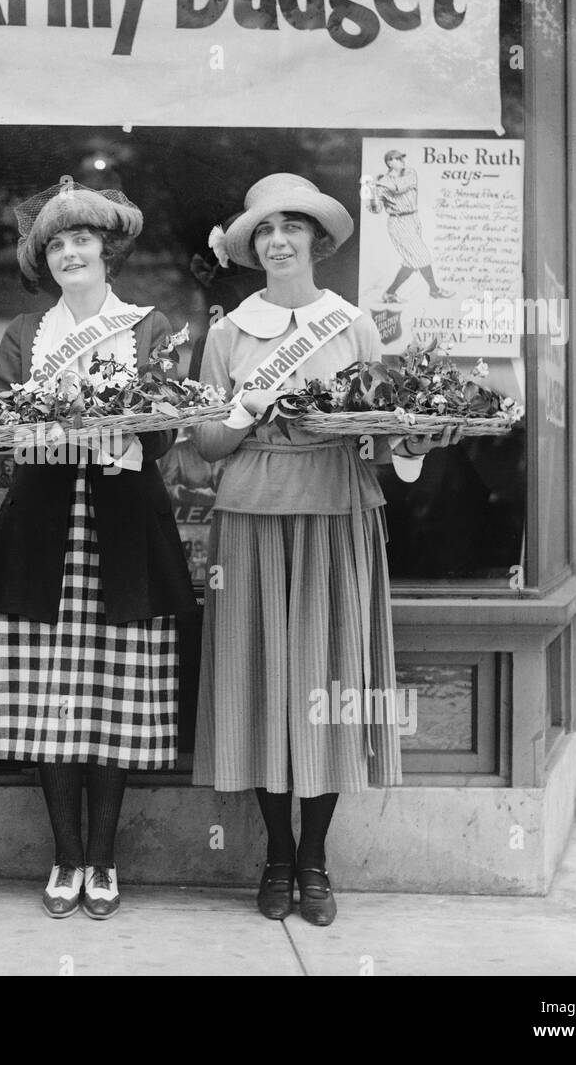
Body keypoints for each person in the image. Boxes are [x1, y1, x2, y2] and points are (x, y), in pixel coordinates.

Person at [192, 173, 461, 926]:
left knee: (330, 686)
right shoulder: (228, 332)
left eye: (293, 227)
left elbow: (378, 436)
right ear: (253, 245)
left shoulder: (351, 325)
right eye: (266, 229)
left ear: (315, 240)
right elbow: (207, 443)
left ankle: (316, 860)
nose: (279, 240)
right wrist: (248, 409)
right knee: (262, 685)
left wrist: (417, 435)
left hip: (336, 517)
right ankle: (276, 854)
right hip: (250, 523)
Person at [0, 179, 195, 920]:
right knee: (50, 701)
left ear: (108, 249)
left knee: (112, 699)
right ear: (46, 258)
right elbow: (1, 424)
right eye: (57, 243)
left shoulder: (148, 326)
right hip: (42, 531)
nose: (71, 251)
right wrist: (42, 429)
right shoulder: (25, 333)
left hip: (125, 531)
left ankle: (104, 859)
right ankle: (64, 856)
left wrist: (123, 435)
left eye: (83, 240)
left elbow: (164, 427)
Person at [369, 149, 451, 302]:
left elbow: (400, 188)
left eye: (402, 158)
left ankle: (390, 293)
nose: (402, 161)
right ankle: (434, 290)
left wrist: (379, 182)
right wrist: (373, 191)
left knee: (412, 261)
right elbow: (376, 210)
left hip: (414, 218)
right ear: (389, 162)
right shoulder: (381, 185)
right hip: (398, 222)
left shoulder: (409, 173)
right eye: (397, 159)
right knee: (422, 256)